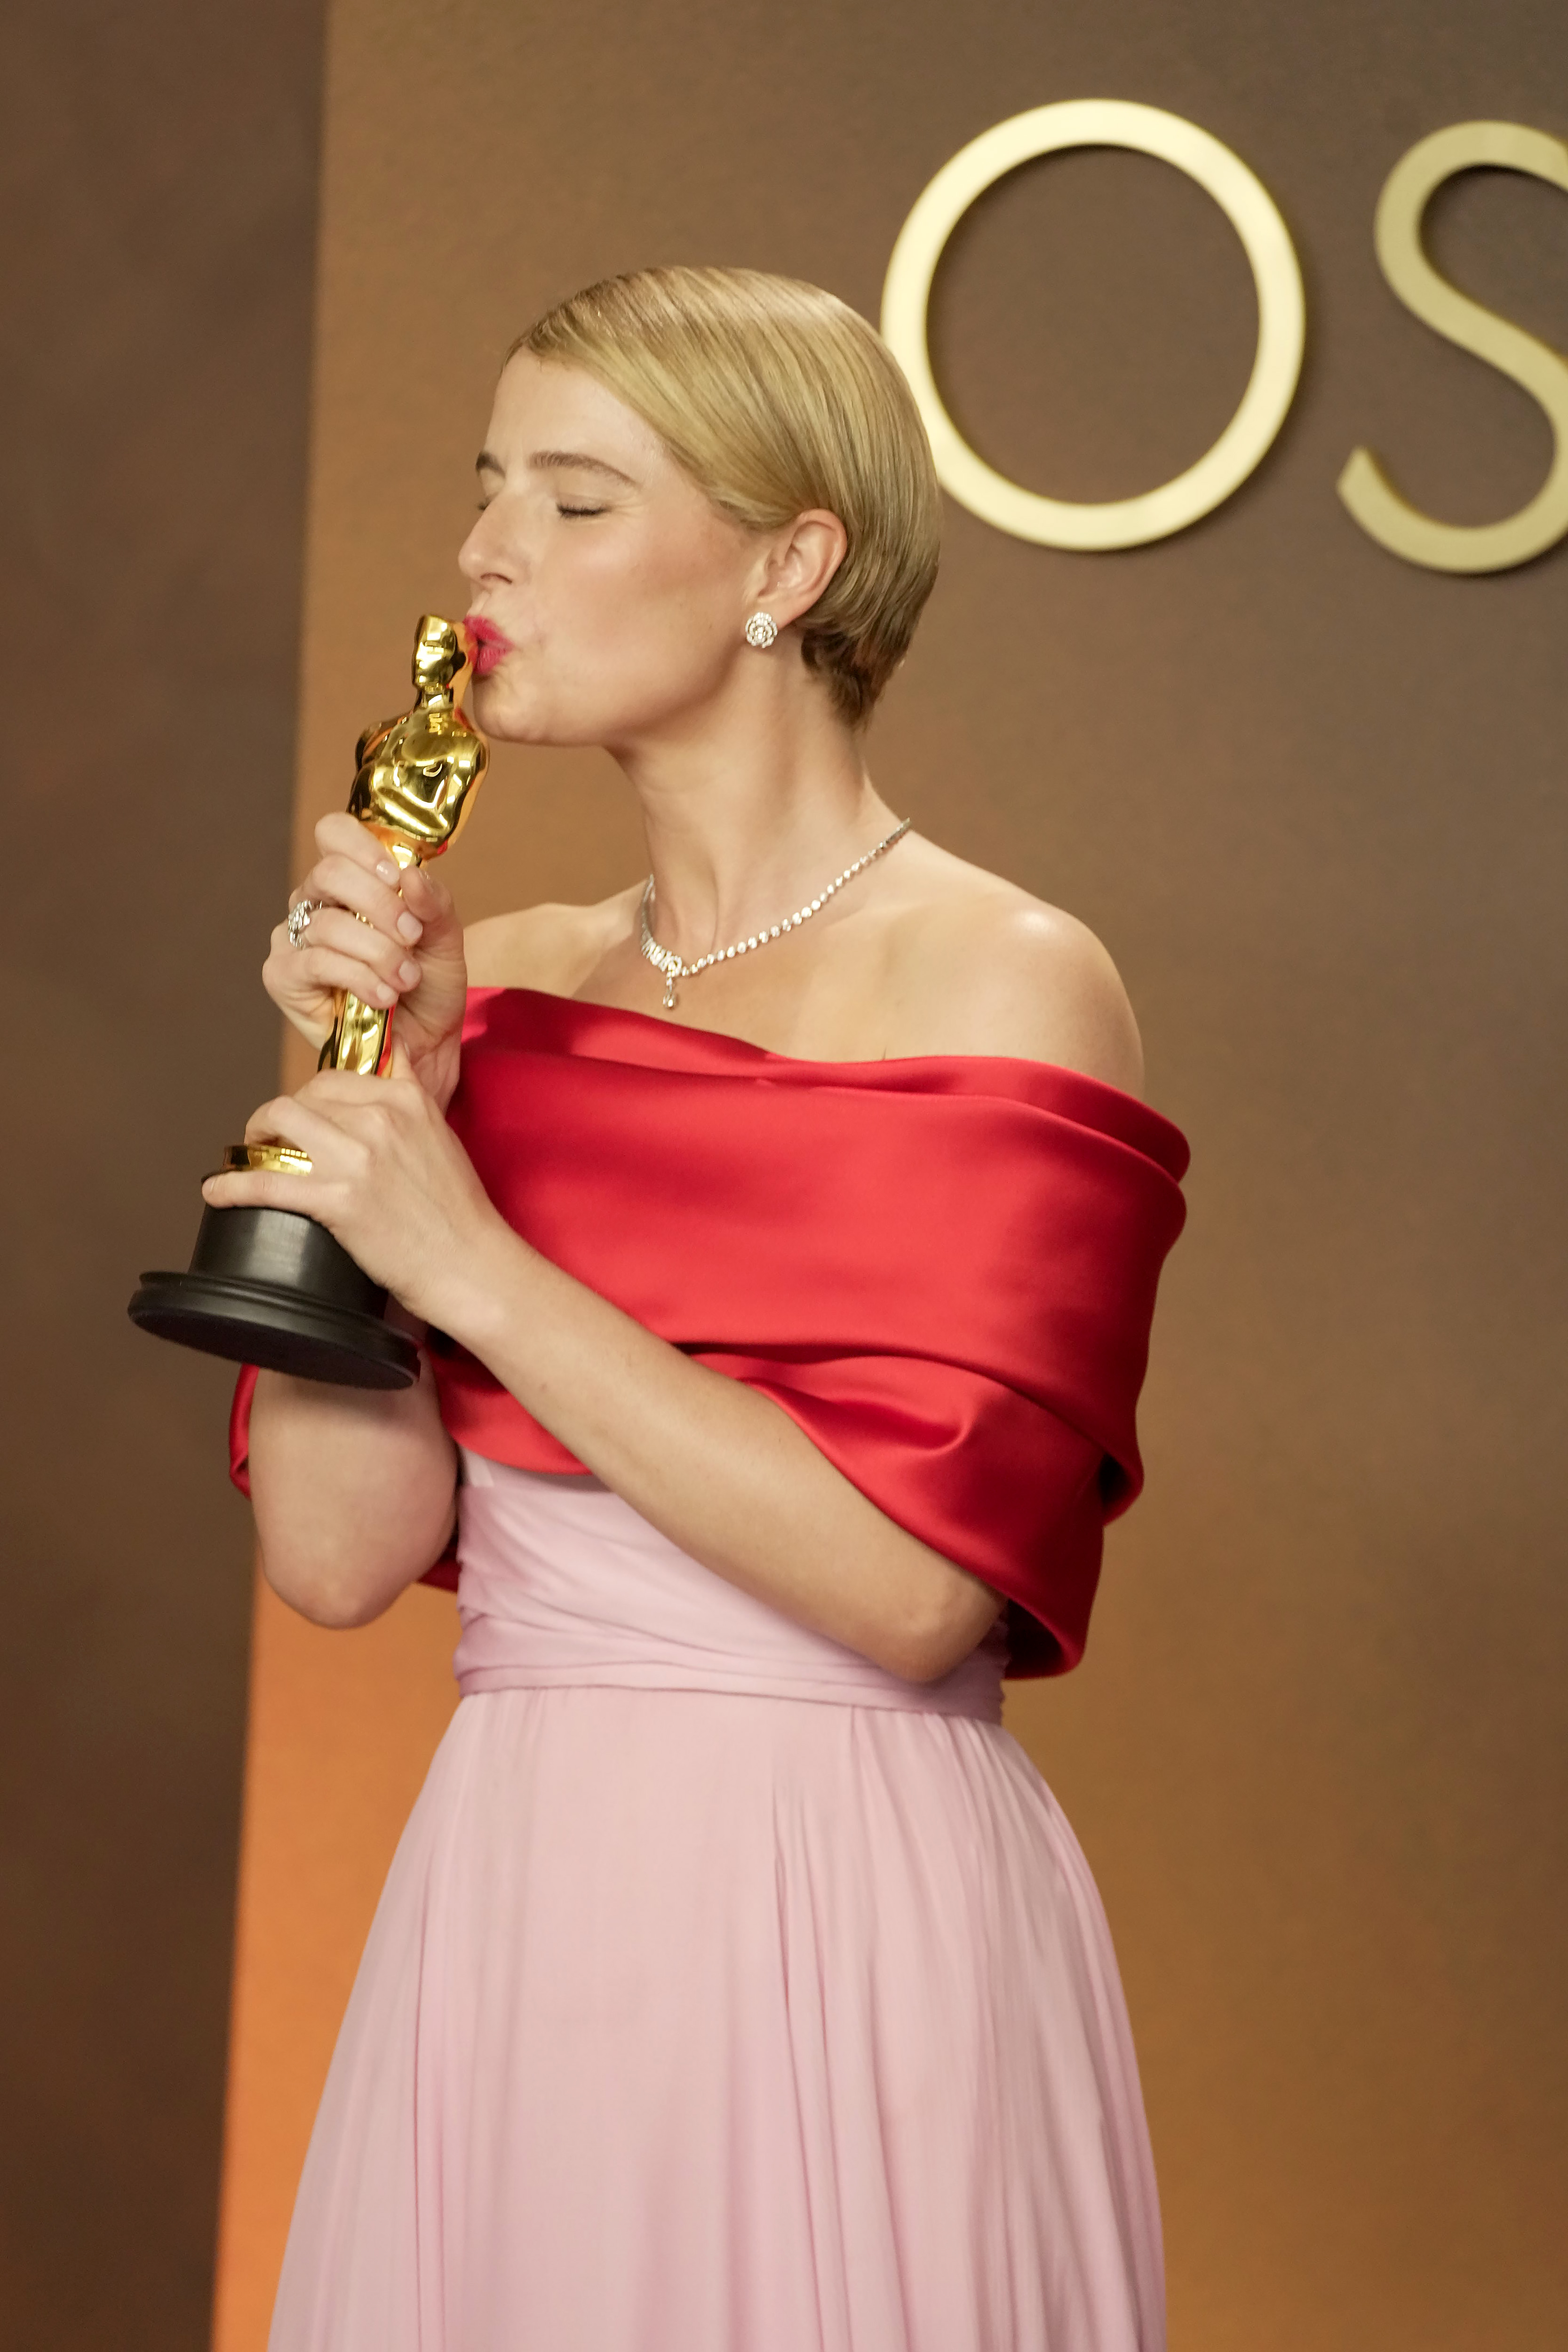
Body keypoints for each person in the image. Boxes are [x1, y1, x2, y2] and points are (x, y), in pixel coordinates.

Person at [214, 266, 1188, 2352]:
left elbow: (918, 1590)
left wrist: (471, 1250)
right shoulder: (521, 978)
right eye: (489, 486)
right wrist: (370, 1086)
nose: (488, 550)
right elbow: (332, 1554)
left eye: (576, 500)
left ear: (789, 563)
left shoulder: (1007, 978)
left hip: (841, 1900)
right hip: (516, 1885)